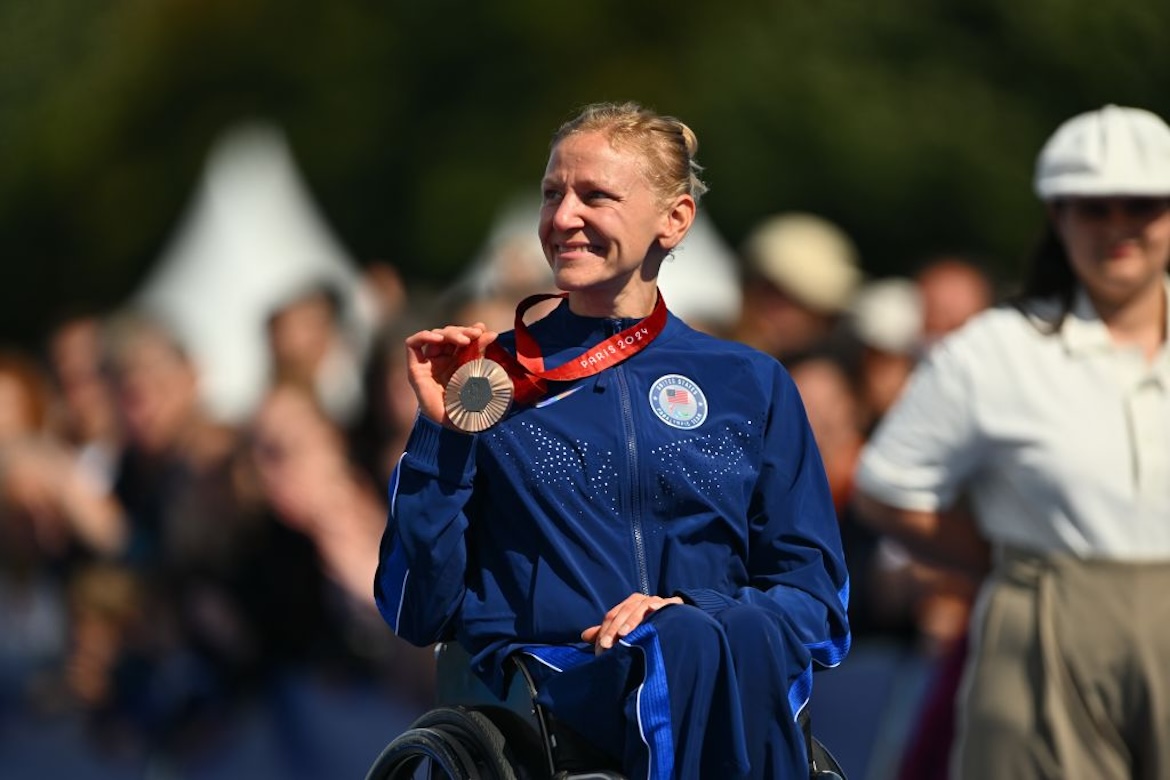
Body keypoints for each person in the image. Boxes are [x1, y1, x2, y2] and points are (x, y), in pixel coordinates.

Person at [375, 101, 851, 779]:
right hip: (557, 699)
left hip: (722, 688)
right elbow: (418, 611)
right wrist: (440, 438)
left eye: (594, 195)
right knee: (677, 643)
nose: (563, 216)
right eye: (552, 194)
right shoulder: (493, 381)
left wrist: (691, 613)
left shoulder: (751, 382)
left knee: (701, 635)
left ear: (674, 218)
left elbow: (815, 603)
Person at [853, 103, 1170, 779]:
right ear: (1058, 216)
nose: (1118, 227)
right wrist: (1001, 558)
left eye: (1140, 204)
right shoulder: (998, 349)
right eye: (1093, 207)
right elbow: (887, 488)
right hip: (1046, 623)